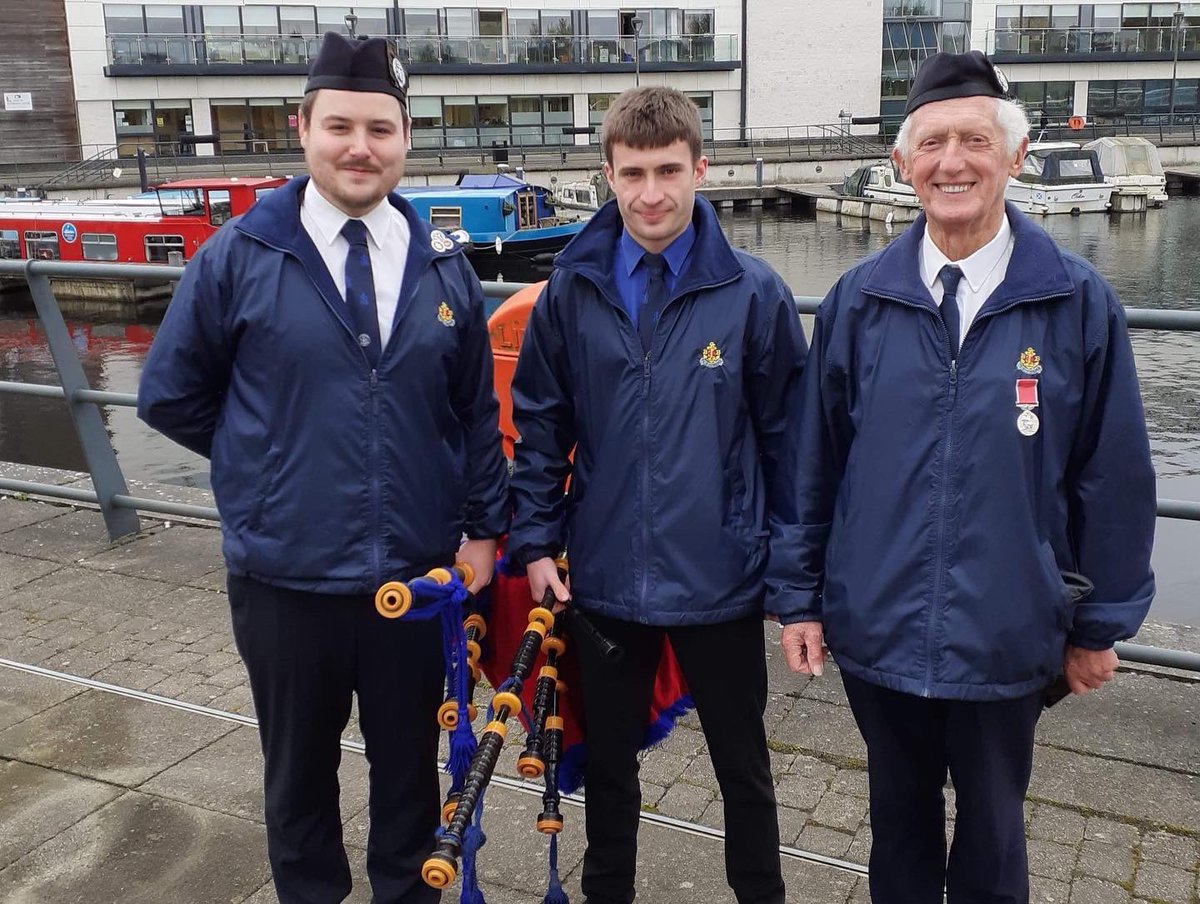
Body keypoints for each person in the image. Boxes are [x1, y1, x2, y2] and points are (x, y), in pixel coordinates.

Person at [773, 51, 1156, 903]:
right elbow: (813, 464)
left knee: (992, 842)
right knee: (896, 835)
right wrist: (798, 597)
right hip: (878, 626)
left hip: (1007, 629)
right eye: (933, 143)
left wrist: (1100, 622)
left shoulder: (1075, 302)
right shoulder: (860, 301)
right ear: (905, 164)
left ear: (1015, 157)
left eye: (975, 140)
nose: (953, 162)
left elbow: (1114, 474)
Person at [137, 32, 508, 904]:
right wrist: (268, 470)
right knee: (298, 782)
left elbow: (473, 414)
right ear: (302, 129)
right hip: (285, 581)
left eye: (380, 129)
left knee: (411, 780)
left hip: (415, 581)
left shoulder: (442, 265)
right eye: (339, 125)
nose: (359, 147)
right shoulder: (239, 256)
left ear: (405, 139)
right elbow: (169, 395)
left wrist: (486, 528)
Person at [507, 85, 807, 904]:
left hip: (722, 575)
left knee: (744, 771)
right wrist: (533, 542)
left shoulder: (753, 292)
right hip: (604, 575)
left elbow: (791, 444)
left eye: (668, 171)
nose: (651, 193)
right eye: (632, 173)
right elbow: (539, 423)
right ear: (606, 173)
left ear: (700, 168)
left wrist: (790, 577)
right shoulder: (572, 289)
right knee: (609, 772)